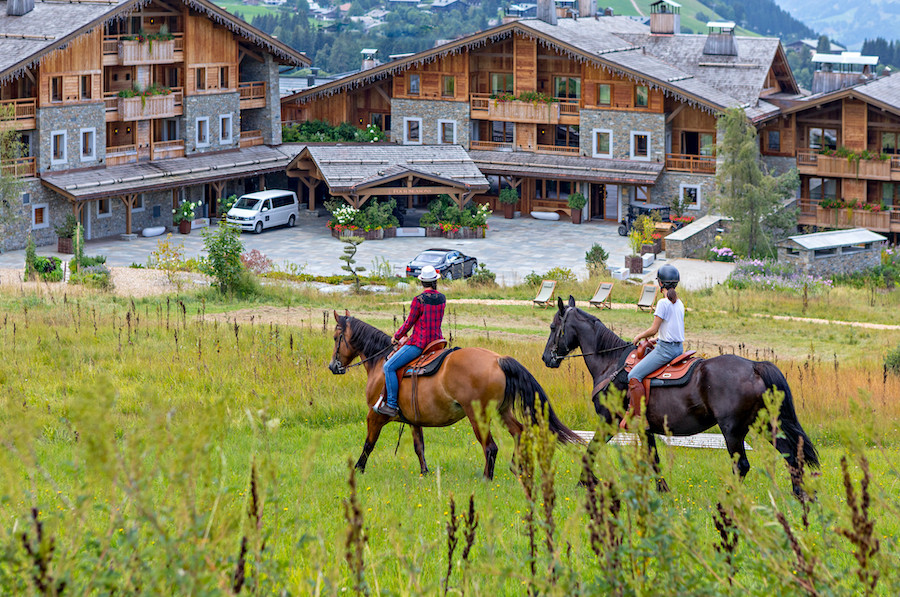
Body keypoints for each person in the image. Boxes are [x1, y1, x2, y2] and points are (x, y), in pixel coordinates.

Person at [374, 265, 446, 417]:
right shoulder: (442, 298)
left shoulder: (418, 300)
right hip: (437, 341)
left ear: (422, 282)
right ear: (434, 281)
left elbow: (409, 322)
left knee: (389, 367)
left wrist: (397, 336)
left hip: (420, 343)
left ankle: (392, 404)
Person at [621, 264, 685, 429]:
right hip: (678, 348)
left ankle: (640, 418)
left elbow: (654, 328)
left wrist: (639, 336)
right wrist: (658, 339)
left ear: (660, 283)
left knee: (633, 375)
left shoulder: (663, 303)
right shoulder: (680, 304)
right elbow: (671, 328)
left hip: (666, 351)